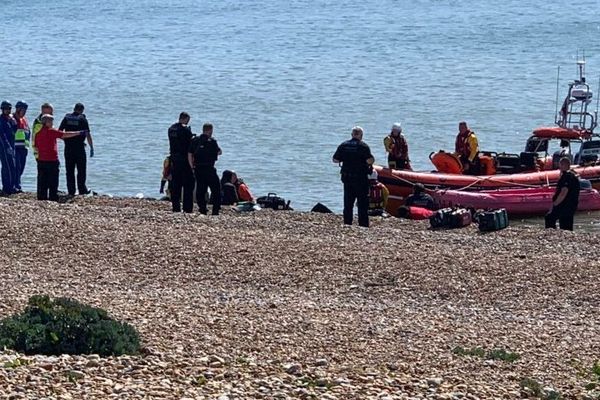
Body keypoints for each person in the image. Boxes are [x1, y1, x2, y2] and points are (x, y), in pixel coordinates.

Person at [35, 114, 87, 201]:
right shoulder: (51, 131)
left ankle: (41, 197)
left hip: (41, 160)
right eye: (51, 121)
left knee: (42, 180)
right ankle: (52, 197)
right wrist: (79, 133)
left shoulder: (38, 134)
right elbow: (64, 134)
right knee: (53, 181)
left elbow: (36, 146)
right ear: (47, 122)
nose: (52, 123)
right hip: (51, 160)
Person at [332, 126, 374, 227]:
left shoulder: (344, 145)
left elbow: (335, 160)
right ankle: (363, 224)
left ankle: (347, 223)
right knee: (362, 203)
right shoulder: (363, 146)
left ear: (352, 135)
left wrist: (345, 159)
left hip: (347, 178)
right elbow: (370, 160)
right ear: (361, 136)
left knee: (348, 203)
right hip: (361, 178)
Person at [59, 103, 94, 195]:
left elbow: (59, 132)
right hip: (79, 148)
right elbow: (87, 134)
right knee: (81, 170)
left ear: (74, 109)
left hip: (68, 148)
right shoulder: (82, 119)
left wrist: (66, 140)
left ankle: (71, 190)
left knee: (69, 170)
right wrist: (91, 147)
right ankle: (82, 190)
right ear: (82, 110)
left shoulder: (66, 118)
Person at [188, 123, 222, 215]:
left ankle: (202, 209)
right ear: (210, 130)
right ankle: (215, 210)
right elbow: (219, 152)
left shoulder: (195, 140)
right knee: (216, 189)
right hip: (209, 168)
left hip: (198, 168)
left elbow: (190, 154)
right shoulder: (212, 141)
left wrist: (192, 166)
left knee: (201, 190)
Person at [167, 112, 195, 212]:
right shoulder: (185, 129)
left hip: (174, 160)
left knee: (176, 185)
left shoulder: (171, 129)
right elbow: (190, 145)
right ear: (185, 119)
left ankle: (176, 207)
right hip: (184, 160)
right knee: (188, 185)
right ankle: (187, 208)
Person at [545, 157, 580, 231]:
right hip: (570, 204)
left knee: (550, 217)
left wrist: (555, 203)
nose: (559, 166)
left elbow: (564, 192)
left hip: (565, 204)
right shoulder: (572, 175)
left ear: (564, 165)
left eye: (560, 164)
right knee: (565, 222)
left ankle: (551, 232)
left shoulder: (567, 176)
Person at [0, 100, 17, 195]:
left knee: (12, 166)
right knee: (8, 167)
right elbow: (2, 136)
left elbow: (15, 130)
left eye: (9, 108)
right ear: (2, 109)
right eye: (6, 109)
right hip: (4, 147)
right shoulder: (1, 120)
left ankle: (11, 186)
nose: (8, 110)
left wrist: (13, 121)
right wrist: (7, 147)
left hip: (12, 145)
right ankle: (8, 188)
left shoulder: (10, 119)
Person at [13, 101, 30, 192]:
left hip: (24, 148)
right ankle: (16, 186)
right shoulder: (12, 119)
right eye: (23, 110)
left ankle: (17, 184)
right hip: (15, 147)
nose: (24, 112)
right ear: (18, 109)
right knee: (17, 167)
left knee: (21, 167)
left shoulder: (24, 120)